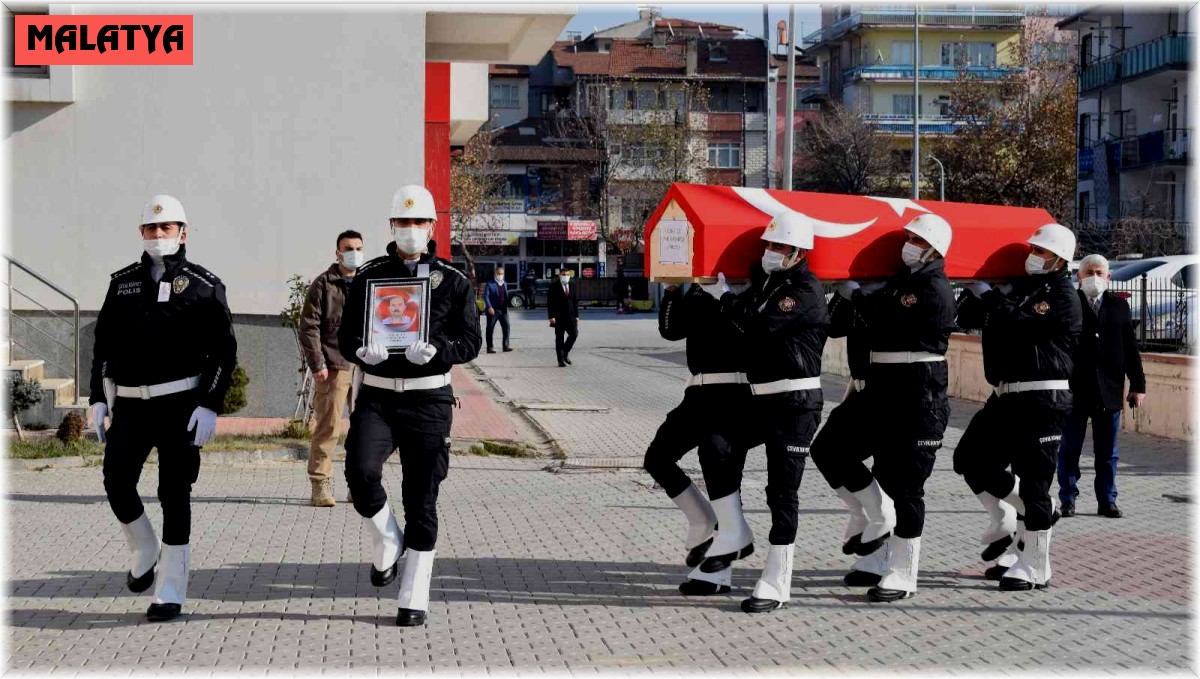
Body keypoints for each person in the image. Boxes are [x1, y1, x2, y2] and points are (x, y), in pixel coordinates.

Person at [338, 184, 481, 627]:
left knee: (422, 498)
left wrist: (439, 350)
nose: (411, 230)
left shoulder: (454, 281)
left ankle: (414, 593)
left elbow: (471, 341)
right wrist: (361, 350)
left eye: (419, 222)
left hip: (428, 399)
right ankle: (386, 542)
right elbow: (346, 336)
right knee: (360, 472)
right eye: (403, 222)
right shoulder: (369, 276)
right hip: (378, 393)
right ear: (392, 226)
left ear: (432, 227)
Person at [89, 194, 237, 622]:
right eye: (151, 229)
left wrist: (209, 404)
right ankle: (144, 547)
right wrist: (98, 397)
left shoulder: (204, 285)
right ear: (141, 233)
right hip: (132, 405)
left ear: (182, 233)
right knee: (116, 482)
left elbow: (224, 353)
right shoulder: (122, 283)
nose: (158, 235)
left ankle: (169, 589)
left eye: (166, 228)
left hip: (180, 405)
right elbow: (103, 343)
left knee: (174, 495)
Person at [810, 214, 958, 602]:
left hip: (917, 397)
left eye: (915, 238)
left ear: (932, 249)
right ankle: (872, 519)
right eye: (905, 236)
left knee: (905, 485)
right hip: (878, 391)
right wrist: (852, 292)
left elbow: (890, 313)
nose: (907, 243)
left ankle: (902, 572)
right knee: (828, 449)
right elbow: (844, 324)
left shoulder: (932, 287)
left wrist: (859, 292)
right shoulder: (898, 282)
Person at [703, 210, 829, 613]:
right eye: (767, 246)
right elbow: (743, 322)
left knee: (781, 491)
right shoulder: (769, 285)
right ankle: (735, 532)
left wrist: (725, 297)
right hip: (762, 399)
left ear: (797, 252)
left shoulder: (803, 290)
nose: (770, 253)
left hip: (795, 404)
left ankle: (777, 580)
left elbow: (757, 327)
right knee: (716, 445)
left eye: (778, 247)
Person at [954, 223, 1082, 591]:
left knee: (1036, 483)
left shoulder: (1061, 296)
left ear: (1058, 259)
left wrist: (995, 297)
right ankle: (1011, 518)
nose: (1032, 257)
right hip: (1007, 395)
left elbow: (1022, 322)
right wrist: (983, 291)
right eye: (1031, 250)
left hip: (1043, 399)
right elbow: (967, 319)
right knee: (970, 458)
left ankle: (1036, 565)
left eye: (1040, 252)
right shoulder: (1026, 291)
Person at [644, 279, 754, 596]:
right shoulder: (697, 292)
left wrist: (728, 295)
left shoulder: (750, 288)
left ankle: (717, 574)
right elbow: (671, 331)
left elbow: (754, 330)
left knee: (723, 473)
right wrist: (675, 291)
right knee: (658, 458)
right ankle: (700, 519)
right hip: (698, 392)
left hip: (736, 393)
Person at [1058, 253, 1146, 519]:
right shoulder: (1070, 303)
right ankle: (1067, 499)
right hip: (1074, 390)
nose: (1094, 278)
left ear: (1108, 277)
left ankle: (1107, 500)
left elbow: (1131, 349)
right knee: (1069, 449)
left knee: (1107, 453)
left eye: (1099, 273)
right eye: (1089, 272)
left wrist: (1138, 385)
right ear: (1079, 276)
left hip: (1109, 390)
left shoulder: (1118, 307)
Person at [298, 230, 364, 508]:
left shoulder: (368, 281)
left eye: (359, 248)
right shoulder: (323, 284)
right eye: (348, 248)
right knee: (329, 428)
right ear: (337, 252)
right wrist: (318, 364)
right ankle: (320, 483)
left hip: (366, 367)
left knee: (365, 430)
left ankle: (359, 485)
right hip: (334, 367)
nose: (354, 252)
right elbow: (308, 327)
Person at [547, 270, 579, 367]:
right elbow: (550, 302)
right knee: (559, 338)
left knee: (574, 334)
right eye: (564, 274)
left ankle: (565, 352)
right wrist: (551, 316)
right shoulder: (554, 285)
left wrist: (577, 315)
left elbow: (574, 301)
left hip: (571, 316)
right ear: (560, 275)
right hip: (558, 316)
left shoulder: (572, 284)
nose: (566, 276)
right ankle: (560, 360)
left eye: (568, 275)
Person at [483, 265, 513, 354]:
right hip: (493, 310)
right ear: (495, 273)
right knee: (490, 329)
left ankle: (505, 346)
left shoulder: (505, 283)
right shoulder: (490, 283)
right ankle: (490, 347)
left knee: (507, 327)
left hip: (503, 310)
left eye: (502, 274)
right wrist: (489, 307)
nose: (500, 275)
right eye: (499, 273)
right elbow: (486, 296)